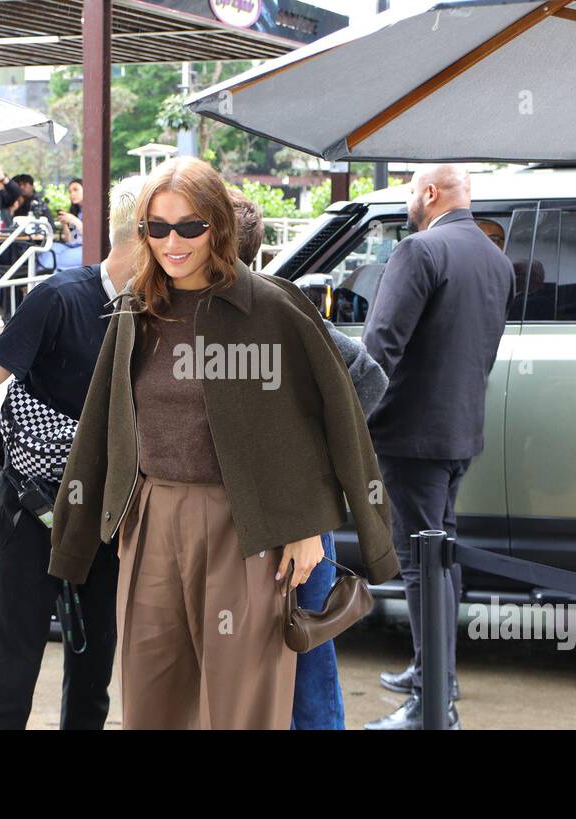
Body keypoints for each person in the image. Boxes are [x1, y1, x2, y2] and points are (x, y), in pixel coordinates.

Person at [46, 157, 399, 729]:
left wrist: (308, 523)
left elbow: (333, 415)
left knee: (242, 704)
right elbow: (102, 421)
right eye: (156, 227)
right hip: (152, 517)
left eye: (189, 226)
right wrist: (80, 529)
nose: (172, 242)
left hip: (247, 523)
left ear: (219, 227)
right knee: (154, 696)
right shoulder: (138, 308)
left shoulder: (272, 306)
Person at [0, 176, 147, 729]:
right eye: (166, 229)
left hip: (106, 521)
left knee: (93, 685)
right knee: (11, 682)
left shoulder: (160, 314)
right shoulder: (59, 297)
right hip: (29, 510)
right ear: (141, 234)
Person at [362, 164, 515, 731]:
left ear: (429, 193)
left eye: (410, 191)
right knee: (440, 558)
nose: (408, 202)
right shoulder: (496, 261)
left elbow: (379, 346)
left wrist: (349, 418)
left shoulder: (419, 252)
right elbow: (484, 351)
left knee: (421, 564)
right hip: (459, 433)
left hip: (410, 435)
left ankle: (433, 702)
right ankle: (434, 674)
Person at [229, 188, 387, 730]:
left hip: (295, 521)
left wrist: (316, 460)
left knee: (306, 658)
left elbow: (368, 377)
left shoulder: (279, 306)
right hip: (238, 522)